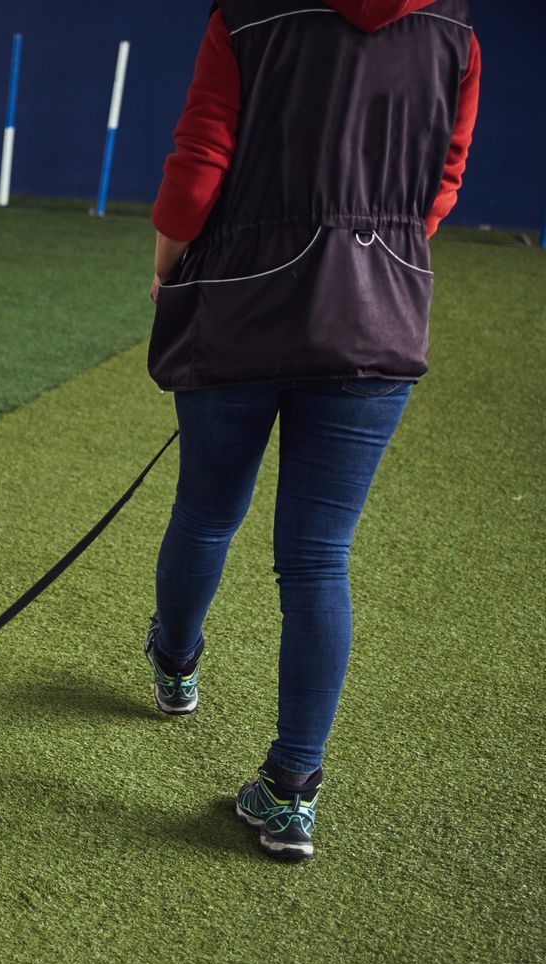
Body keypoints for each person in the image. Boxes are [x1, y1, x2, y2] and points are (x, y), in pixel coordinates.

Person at [145, 0, 479, 861]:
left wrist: (168, 266)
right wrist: (380, 254)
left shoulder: (248, 13)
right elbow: (446, 176)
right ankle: (292, 792)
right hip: (381, 316)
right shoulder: (456, 30)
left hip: (241, 302)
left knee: (208, 510)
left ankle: (175, 666)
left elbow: (199, 160)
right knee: (318, 557)